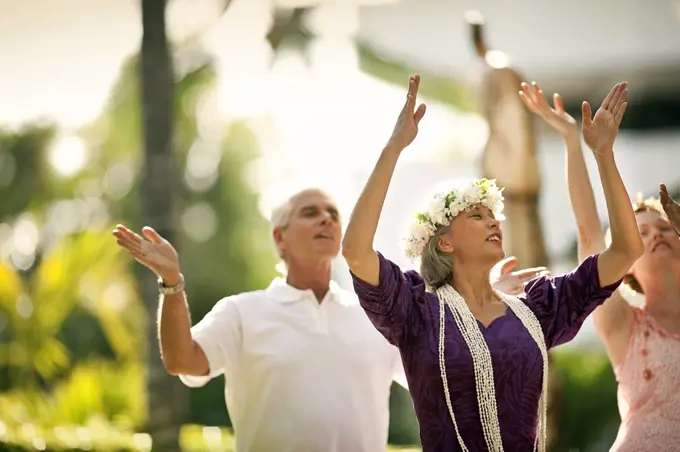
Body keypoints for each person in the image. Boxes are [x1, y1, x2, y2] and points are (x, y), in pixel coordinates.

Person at [341, 74, 643, 451]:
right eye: (476, 216)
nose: (493, 222)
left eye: (492, 215)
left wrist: (602, 154)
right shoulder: (415, 310)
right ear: (444, 241)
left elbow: (626, 251)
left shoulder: (538, 309)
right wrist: (393, 148)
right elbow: (355, 250)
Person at [113, 188, 410, 452]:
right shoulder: (241, 312)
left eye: (332, 213)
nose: (326, 219)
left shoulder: (377, 317)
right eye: (310, 213)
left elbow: (438, 374)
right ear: (280, 237)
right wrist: (171, 281)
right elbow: (181, 360)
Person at [520, 81, 680, 451]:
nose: (654, 234)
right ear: (626, 265)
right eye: (640, 232)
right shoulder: (623, 322)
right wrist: (577, 143)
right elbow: (590, 233)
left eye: (663, 226)